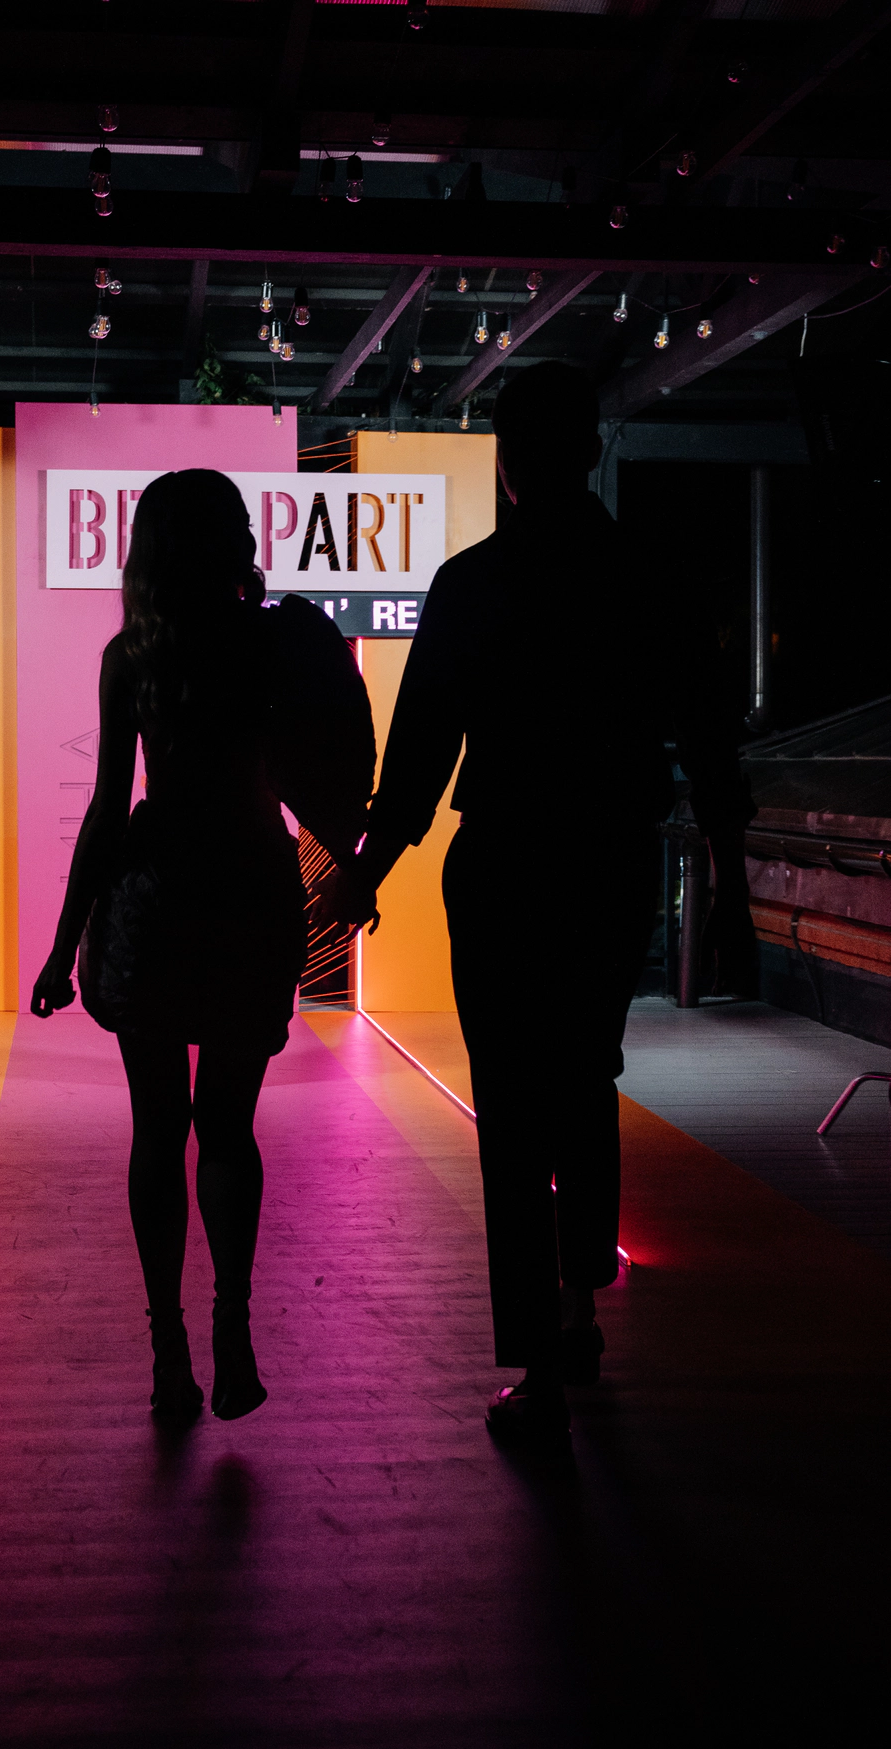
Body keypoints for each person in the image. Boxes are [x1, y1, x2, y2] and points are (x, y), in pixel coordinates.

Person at [332, 362, 756, 1440]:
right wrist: (734, 884)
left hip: (505, 865)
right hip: (610, 861)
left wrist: (366, 873)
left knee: (513, 1112)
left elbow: (420, 759)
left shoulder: (473, 584)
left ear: (507, 464)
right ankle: (577, 1312)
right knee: (586, 1079)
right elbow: (710, 740)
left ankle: (538, 1363)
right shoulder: (647, 579)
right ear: (593, 449)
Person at [32, 470, 373, 1422]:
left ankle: (167, 1349)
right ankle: (233, 1324)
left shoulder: (132, 656)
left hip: (157, 898)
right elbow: (321, 770)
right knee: (229, 1128)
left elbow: (108, 813)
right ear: (231, 540)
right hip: (252, 893)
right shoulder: (272, 642)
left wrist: (63, 946)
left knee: (158, 1130)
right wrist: (355, 863)